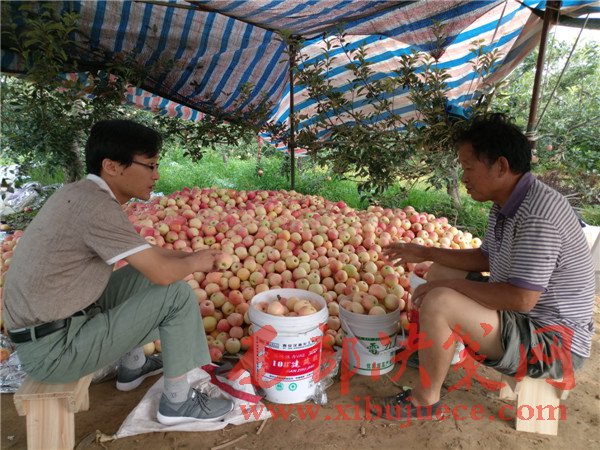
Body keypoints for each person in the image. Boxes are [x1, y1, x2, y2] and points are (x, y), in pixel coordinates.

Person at [3, 119, 234, 424]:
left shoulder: (83, 194)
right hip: (54, 351)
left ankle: (133, 366)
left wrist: (194, 256)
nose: (156, 175)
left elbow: (148, 256)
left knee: (141, 275)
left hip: (58, 324)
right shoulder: (95, 208)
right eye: (149, 166)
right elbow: (164, 275)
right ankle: (177, 403)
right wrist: (196, 263)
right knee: (175, 295)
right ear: (111, 166)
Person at [371, 113, 595, 420]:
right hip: (525, 319)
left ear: (500, 166)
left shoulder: (538, 215)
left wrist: (445, 288)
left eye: (468, 168)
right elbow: (486, 257)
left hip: (552, 343)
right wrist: (424, 252)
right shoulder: (506, 203)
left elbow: (521, 299)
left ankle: (425, 401)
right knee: (441, 272)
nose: (464, 178)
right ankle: (434, 351)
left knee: (440, 301)